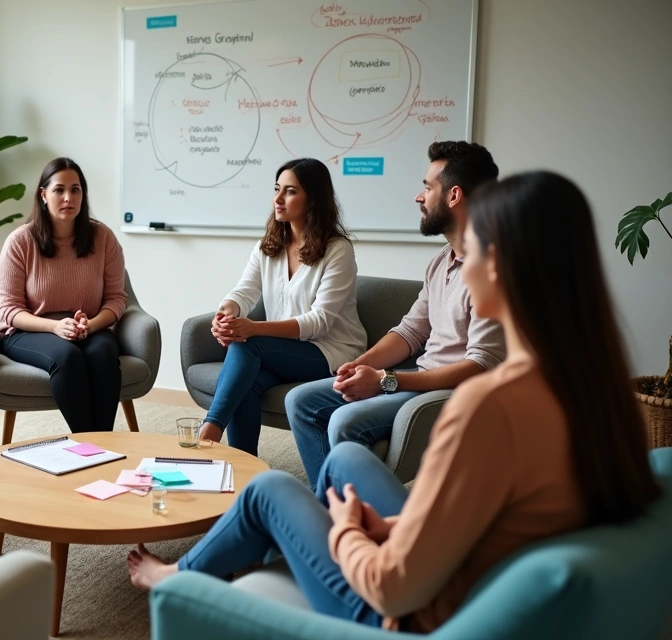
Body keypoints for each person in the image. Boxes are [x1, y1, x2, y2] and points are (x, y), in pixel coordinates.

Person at [127, 170, 663, 633]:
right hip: (461, 570)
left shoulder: (486, 407)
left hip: (404, 614)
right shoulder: (598, 389)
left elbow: (392, 588)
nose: (463, 260)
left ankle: (176, 578)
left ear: (498, 264)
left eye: (473, 247)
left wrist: (346, 530)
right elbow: (493, 518)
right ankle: (260, 543)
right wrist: (392, 528)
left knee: (270, 490)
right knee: (345, 459)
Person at [285, 141, 506, 488]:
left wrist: (387, 380)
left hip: (449, 393)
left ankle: (352, 510)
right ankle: (330, 505)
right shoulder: (442, 261)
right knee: (300, 400)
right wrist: (361, 365)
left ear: (454, 196)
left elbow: (481, 364)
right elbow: (410, 332)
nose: (419, 197)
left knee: (344, 421)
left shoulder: (493, 269)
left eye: (427, 188)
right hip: (419, 378)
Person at [197, 158, 367, 455]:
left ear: (313, 199)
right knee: (247, 382)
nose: (278, 199)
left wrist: (253, 328)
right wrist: (226, 313)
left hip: (330, 352)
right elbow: (244, 292)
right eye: (277, 189)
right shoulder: (269, 245)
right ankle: (244, 466)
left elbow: (319, 321)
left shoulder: (338, 249)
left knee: (249, 343)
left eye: (290, 191)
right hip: (283, 352)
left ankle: (209, 430)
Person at [0, 157, 128, 433]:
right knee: (67, 357)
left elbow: (116, 298)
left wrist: (90, 325)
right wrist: (55, 326)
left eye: (75, 190)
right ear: (43, 195)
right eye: (59, 190)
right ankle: (88, 442)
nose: (68, 198)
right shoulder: (20, 241)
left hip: (87, 327)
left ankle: (103, 442)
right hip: (29, 331)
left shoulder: (103, 238)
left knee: (103, 353)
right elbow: (9, 309)